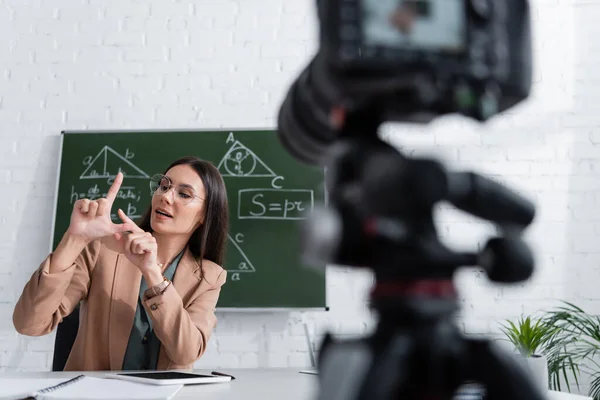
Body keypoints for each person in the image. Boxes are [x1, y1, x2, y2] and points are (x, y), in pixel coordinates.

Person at [13, 156, 229, 371]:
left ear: (205, 215)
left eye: (183, 194)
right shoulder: (104, 250)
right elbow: (29, 324)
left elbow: (186, 352)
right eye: (163, 186)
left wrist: (153, 275)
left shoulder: (209, 277)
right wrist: (74, 239)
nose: (165, 197)